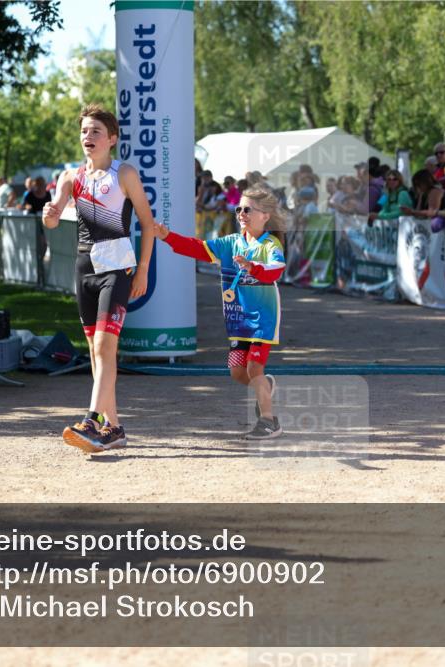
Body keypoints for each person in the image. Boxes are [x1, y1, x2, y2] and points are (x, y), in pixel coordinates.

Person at [42, 104, 153, 453]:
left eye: (96, 132)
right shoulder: (70, 177)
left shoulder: (125, 174)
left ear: (112, 139)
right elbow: (53, 219)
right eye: (84, 131)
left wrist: (144, 270)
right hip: (84, 268)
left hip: (117, 269)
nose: (88, 137)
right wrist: (50, 213)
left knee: (106, 346)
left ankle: (91, 420)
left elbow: (148, 225)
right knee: (94, 351)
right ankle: (115, 428)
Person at [148, 187, 286, 439]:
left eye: (248, 209)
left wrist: (252, 266)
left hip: (262, 318)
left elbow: (276, 270)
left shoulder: (270, 244)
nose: (242, 214)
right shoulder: (230, 243)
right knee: (237, 371)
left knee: (255, 368)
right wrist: (168, 237)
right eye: (239, 209)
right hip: (237, 319)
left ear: (265, 215)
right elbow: (199, 249)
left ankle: (269, 422)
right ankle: (264, 387)